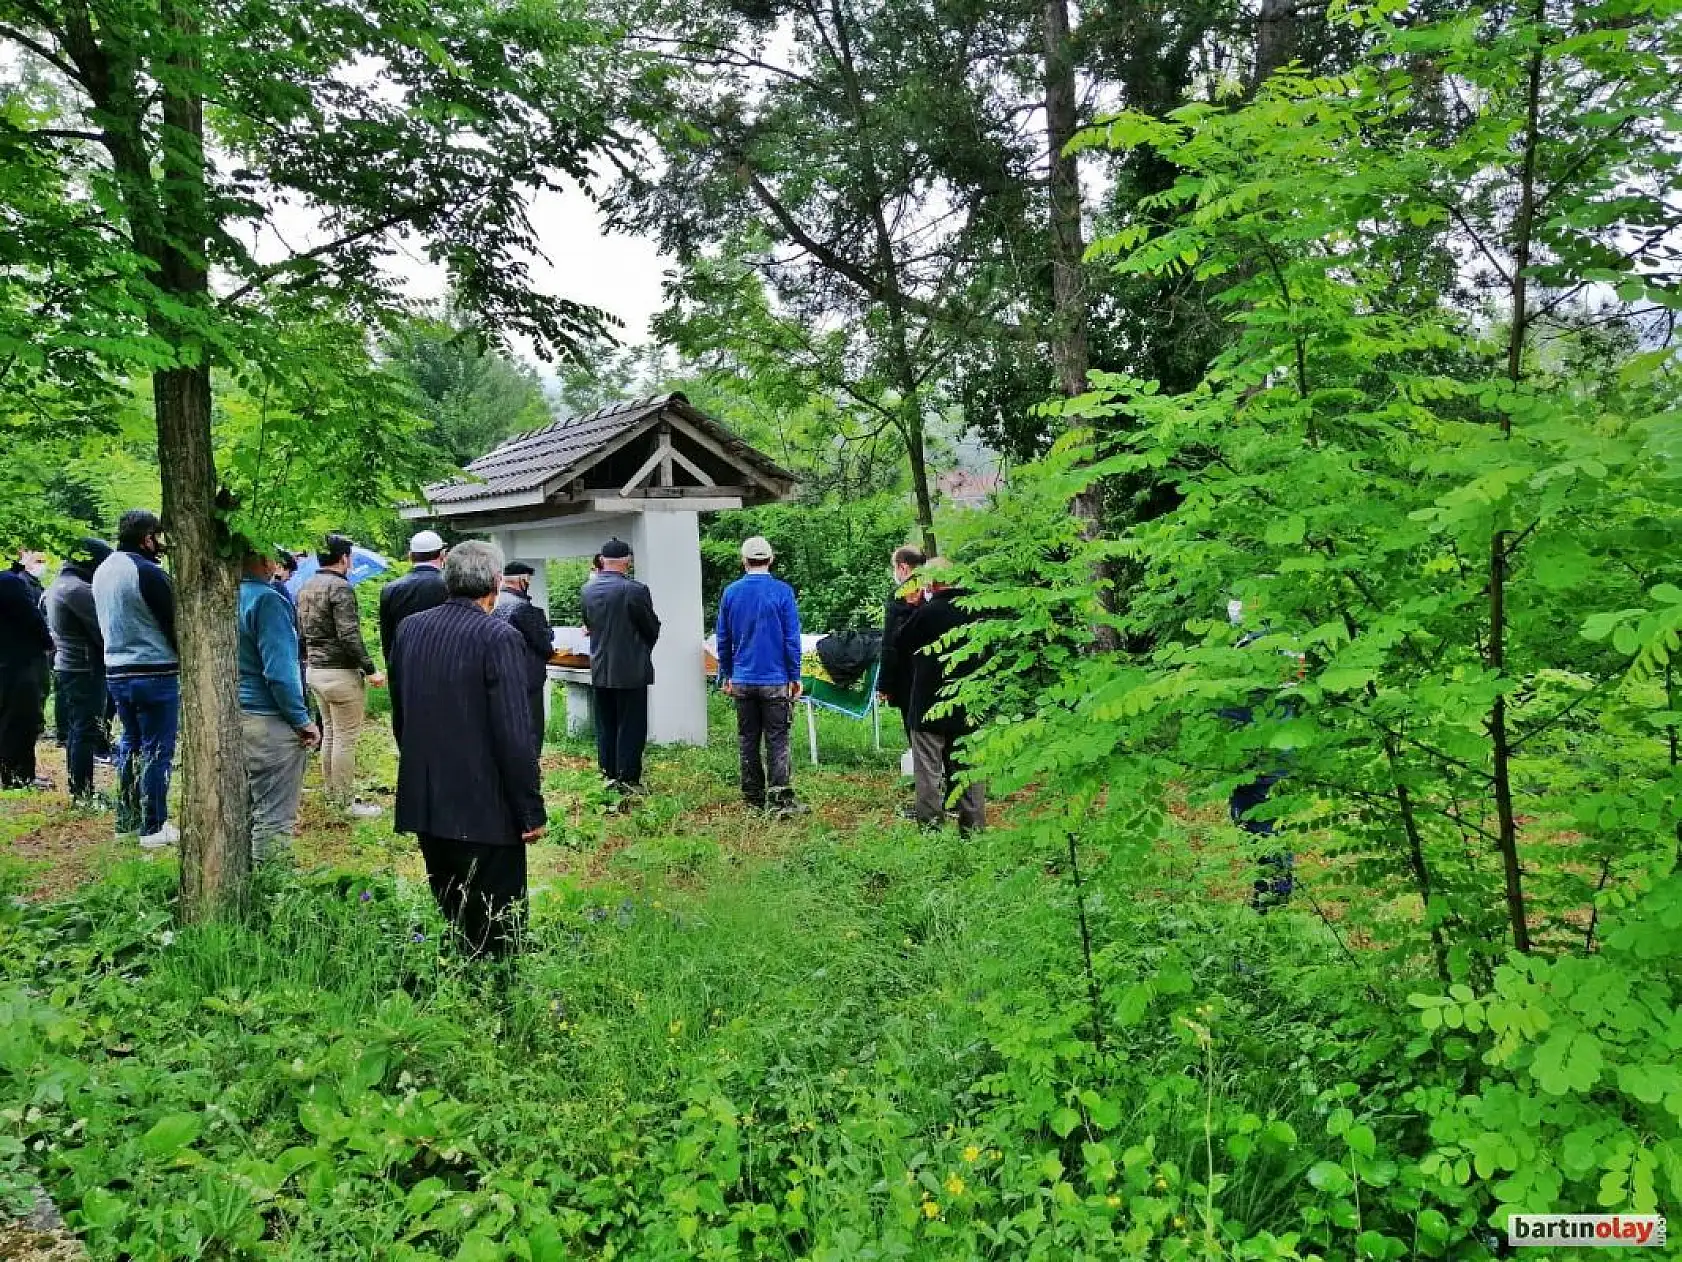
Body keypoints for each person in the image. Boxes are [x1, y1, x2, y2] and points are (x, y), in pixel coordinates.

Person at [390, 540, 546, 958]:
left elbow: (402, 714)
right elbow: (515, 733)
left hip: (429, 797)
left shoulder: (411, 628)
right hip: (486, 805)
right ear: (497, 583)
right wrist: (529, 810)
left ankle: (462, 987)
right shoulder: (498, 637)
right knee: (498, 922)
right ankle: (498, 999)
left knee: (452, 905)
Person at [92, 510, 180, 846]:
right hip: (154, 671)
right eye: (157, 537)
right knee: (158, 750)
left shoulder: (104, 570)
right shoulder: (147, 572)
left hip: (117, 670)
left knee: (130, 745)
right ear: (147, 538)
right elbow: (174, 623)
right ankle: (154, 826)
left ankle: (127, 820)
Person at [238, 549, 320, 861]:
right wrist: (302, 720)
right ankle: (272, 896)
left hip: (234, 714)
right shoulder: (267, 600)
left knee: (244, 811)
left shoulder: (223, 596)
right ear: (263, 562)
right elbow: (280, 673)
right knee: (273, 817)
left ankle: (242, 889)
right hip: (268, 718)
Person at [896, 558, 986, 835]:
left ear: (931, 582)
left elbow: (901, 643)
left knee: (928, 773)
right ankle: (973, 829)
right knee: (969, 771)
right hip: (967, 705)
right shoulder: (975, 611)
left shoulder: (927, 613)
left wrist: (909, 608)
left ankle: (931, 829)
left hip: (928, 706)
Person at [297, 534, 385, 817]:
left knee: (331, 734)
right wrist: (371, 669)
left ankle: (332, 793)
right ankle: (345, 801)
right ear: (345, 558)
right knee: (345, 737)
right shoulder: (341, 588)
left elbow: (300, 631)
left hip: (315, 671)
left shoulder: (307, 586)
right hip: (340, 673)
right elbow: (349, 634)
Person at [715, 535, 803, 814]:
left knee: (748, 738)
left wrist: (726, 674)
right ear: (771, 559)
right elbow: (791, 638)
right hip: (775, 679)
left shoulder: (731, 593)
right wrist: (794, 675)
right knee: (778, 738)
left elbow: (723, 638)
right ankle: (780, 800)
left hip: (742, 678)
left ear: (744, 561)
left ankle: (753, 799)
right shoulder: (783, 591)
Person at [579, 539, 660, 793]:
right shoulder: (635, 590)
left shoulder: (588, 590)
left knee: (606, 724)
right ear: (627, 561)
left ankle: (608, 773)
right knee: (631, 725)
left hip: (601, 667)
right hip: (630, 668)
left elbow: (589, 624)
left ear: (602, 561)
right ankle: (628, 778)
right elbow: (651, 627)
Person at [45, 539, 113, 802]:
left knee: (77, 729)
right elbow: (101, 630)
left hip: (69, 665)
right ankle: (83, 792)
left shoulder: (60, 585)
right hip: (84, 667)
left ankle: (79, 788)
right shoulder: (78, 590)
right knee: (86, 730)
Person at [379, 529, 449, 713]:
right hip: (443, 669)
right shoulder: (450, 587)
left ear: (410, 556)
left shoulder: (390, 589)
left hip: (404, 668)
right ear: (443, 555)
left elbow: (387, 638)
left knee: (406, 723)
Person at [0, 558, 53, 790]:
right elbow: (32, 619)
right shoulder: (9, 583)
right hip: (17, 661)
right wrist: (48, 642)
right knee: (20, 720)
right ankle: (18, 776)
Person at [494, 561, 554, 749]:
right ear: (523, 580)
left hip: (497, 674)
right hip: (526, 677)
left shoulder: (491, 603)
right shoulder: (523, 608)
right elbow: (543, 644)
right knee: (531, 728)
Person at [877, 544, 926, 743]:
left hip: (907, 675)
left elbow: (890, 643)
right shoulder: (934, 590)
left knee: (914, 730)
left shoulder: (899, 596)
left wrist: (884, 684)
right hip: (938, 674)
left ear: (903, 568)